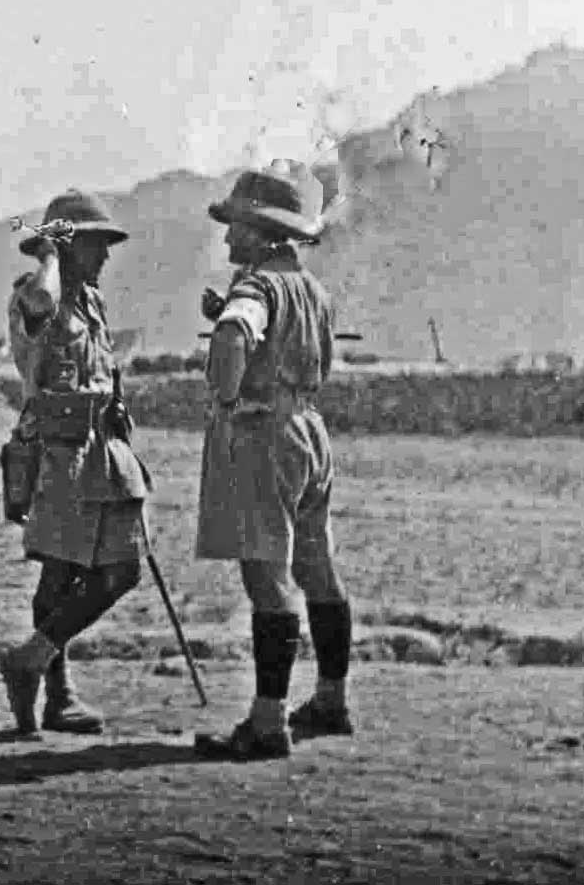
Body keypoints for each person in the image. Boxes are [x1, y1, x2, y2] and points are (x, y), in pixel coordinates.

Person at [191, 159, 354, 761]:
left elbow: (236, 336)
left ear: (260, 234)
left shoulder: (255, 285)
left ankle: (267, 720)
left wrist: (227, 400)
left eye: (235, 226)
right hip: (310, 429)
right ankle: (332, 699)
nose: (228, 236)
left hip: (266, 431)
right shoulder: (311, 289)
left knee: (266, 575)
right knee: (318, 569)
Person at [0, 190, 150, 736]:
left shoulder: (93, 302)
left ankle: (31, 660)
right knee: (61, 572)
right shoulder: (36, 293)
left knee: (121, 569)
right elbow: (40, 307)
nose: (105, 255)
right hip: (57, 452)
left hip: (102, 448)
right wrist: (52, 255)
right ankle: (55, 694)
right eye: (94, 244)